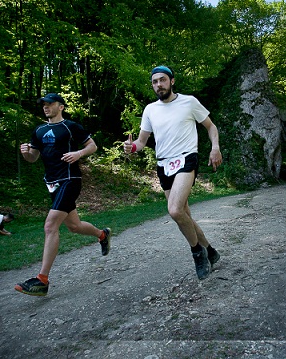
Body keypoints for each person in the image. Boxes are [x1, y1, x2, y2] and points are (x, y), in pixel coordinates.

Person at [123, 65, 222, 280]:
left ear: (172, 81)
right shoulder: (150, 110)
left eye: (162, 80)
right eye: (155, 82)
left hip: (186, 158)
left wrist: (215, 147)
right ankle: (210, 251)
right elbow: (142, 141)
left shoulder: (189, 102)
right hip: (164, 165)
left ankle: (198, 253)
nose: (159, 84)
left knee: (175, 211)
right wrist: (132, 148)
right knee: (184, 216)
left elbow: (211, 126)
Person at [15, 92, 111, 296]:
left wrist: (78, 153)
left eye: (50, 104)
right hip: (51, 183)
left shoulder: (70, 126)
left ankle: (42, 280)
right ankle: (102, 235)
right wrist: (25, 153)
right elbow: (33, 158)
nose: (46, 107)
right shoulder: (39, 130)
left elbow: (92, 145)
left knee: (50, 226)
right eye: (44, 104)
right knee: (74, 226)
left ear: (61, 106)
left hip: (70, 180)